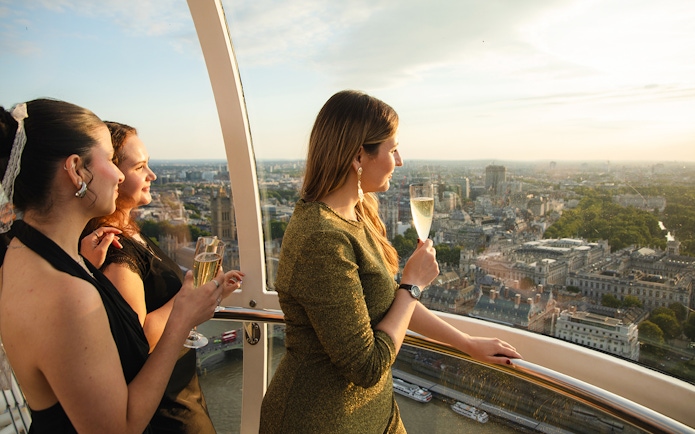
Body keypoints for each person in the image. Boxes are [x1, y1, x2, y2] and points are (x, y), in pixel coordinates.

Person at [259, 90, 522, 433]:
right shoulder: (321, 237)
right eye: (393, 149)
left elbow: (387, 304)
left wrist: (466, 343)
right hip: (319, 419)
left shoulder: (357, 213)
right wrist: (412, 286)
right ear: (358, 156)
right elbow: (367, 367)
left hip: (374, 415)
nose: (399, 161)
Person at [0, 98, 226, 433]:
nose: (119, 174)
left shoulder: (21, 252)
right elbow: (119, 427)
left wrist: (84, 266)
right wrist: (183, 317)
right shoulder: (67, 296)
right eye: (108, 158)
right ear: (76, 170)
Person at [80, 121, 244, 433]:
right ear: (109, 173)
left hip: (182, 395)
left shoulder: (131, 232)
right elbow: (139, 338)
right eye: (140, 166)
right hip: (167, 412)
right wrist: (188, 298)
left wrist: (213, 294)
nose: (152, 176)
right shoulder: (115, 250)